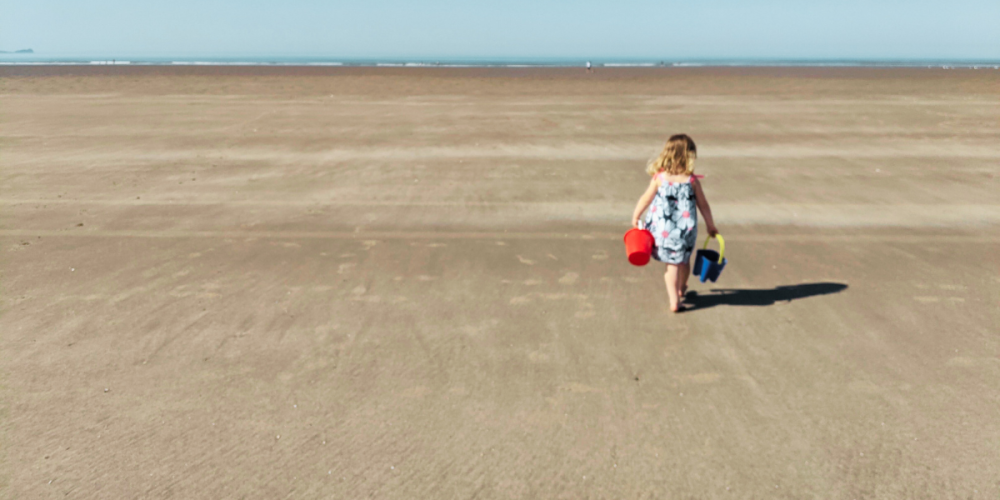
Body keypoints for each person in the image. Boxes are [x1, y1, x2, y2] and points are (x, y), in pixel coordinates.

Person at [631, 134, 719, 312]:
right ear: (689, 157)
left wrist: (636, 215)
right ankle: (682, 288)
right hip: (685, 231)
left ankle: (674, 301)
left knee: (671, 266)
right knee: (683, 261)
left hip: (662, 231)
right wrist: (710, 225)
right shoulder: (691, 181)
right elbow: (703, 205)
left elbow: (645, 199)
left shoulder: (659, 178)